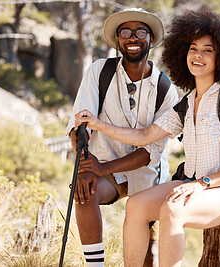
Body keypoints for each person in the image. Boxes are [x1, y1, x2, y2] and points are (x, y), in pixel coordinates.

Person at [75, 8, 220, 267]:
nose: (198, 55)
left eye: (208, 50)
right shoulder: (186, 102)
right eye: (194, 48)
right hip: (193, 184)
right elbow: (144, 136)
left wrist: (202, 184)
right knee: (136, 206)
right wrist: (98, 125)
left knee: (173, 210)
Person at [65, 8, 178, 267]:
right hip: (105, 165)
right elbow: (79, 125)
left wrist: (101, 167)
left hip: (148, 173)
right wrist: (84, 166)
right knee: (84, 191)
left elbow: (149, 152)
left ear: (151, 39)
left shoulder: (165, 89)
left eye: (141, 32)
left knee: (148, 255)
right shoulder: (99, 71)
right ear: (118, 40)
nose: (133, 38)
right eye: (125, 32)